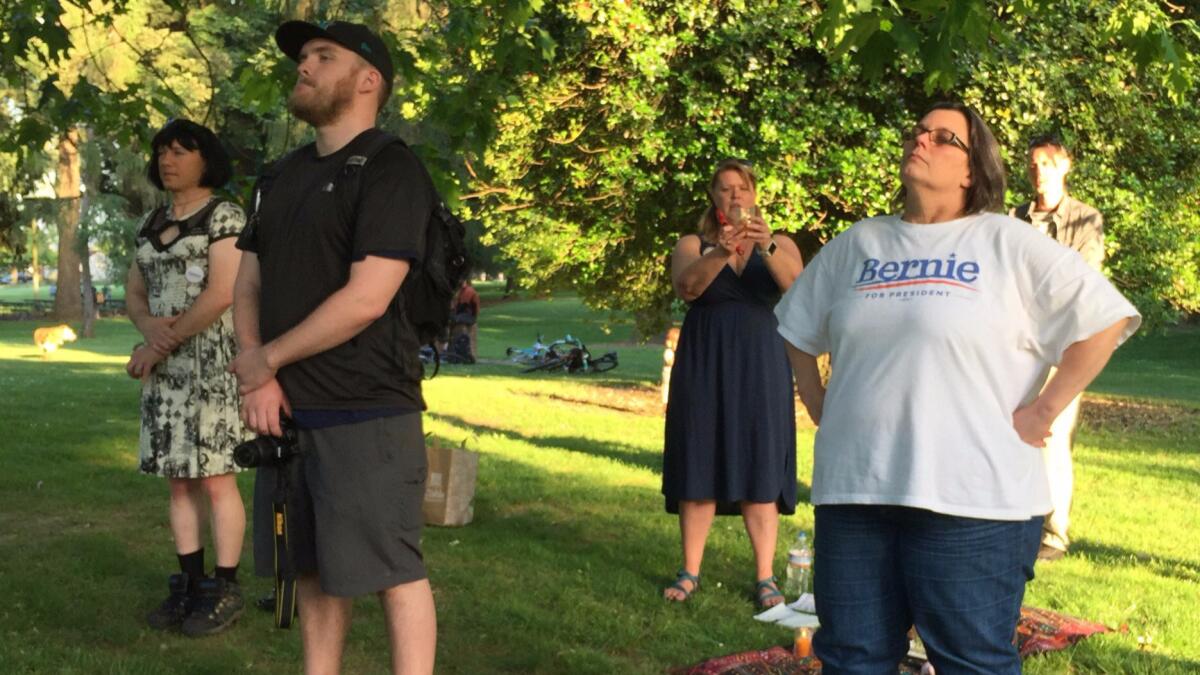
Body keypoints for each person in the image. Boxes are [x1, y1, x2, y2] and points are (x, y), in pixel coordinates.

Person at [774, 102, 1140, 674]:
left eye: (944, 137)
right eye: (919, 132)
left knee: (971, 663)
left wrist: (1044, 411)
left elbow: (1106, 319)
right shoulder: (860, 244)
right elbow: (797, 324)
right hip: (855, 497)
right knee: (852, 660)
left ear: (973, 171)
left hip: (974, 505)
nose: (922, 141)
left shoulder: (1006, 243)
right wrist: (818, 400)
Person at [228, 20, 436, 674]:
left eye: (324, 56)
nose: (305, 66)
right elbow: (248, 283)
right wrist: (259, 376)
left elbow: (368, 296)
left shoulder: (390, 168)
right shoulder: (280, 175)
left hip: (367, 408)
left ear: (368, 80)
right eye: (303, 57)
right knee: (309, 569)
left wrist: (268, 360)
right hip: (289, 411)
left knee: (392, 570)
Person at [124, 118, 251, 636]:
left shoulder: (225, 216)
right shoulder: (151, 221)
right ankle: (190, 583)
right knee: (179, 481)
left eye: (180, 150)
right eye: (162, 151)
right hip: (167, 370)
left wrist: (158, 344)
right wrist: (148, 326)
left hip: (212, 366)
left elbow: (222, 292)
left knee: (216, 479)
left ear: (206, 159)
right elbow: (135, 290)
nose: (167, 160)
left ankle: (224, 588)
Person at [661, 158, 804, 609]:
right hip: (705, 360)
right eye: (725, 189)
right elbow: (688, 288)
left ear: (754, 194)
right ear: (714, 198)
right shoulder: (693, 243)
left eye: (741, 188)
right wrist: (721, 252)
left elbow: (797, 290)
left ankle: (765, 577)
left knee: (761, 457)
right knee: (700, 454)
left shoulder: (779, 242)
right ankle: (690, 571)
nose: (735, 197)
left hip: (761, 362)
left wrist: (766, 249)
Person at [1011, 134, 1105, 562]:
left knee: (1053, 436)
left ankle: (1054, 534)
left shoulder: (1086, 220)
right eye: (1034, 163)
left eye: (1047, 163)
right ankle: (1014, 518)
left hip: (1065, 345)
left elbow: (1081, 282)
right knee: (1011, 431)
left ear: (1065, 166)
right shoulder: (1013, 218)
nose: (1039, 170)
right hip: (1014, 344)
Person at [450, 278, 480, 359]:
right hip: (467, 316)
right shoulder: (463, 291)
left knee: (454, 324)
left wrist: (453, 312)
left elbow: (462, 306)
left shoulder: (467, 291)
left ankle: (457, 354)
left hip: (466, 317)